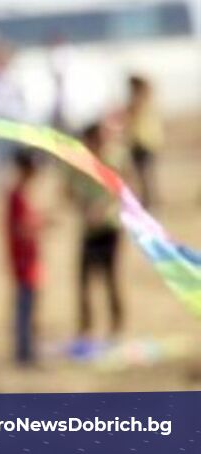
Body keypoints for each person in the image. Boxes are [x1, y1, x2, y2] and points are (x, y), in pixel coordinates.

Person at [68, 122, 126, 340]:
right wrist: (83, 206)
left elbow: (121, 190)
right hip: (89, 231)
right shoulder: (80, 165)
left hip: (109, 228)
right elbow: (68, 191)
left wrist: (101, 209)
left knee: (110, 278)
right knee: (83, 281)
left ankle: (116, 325)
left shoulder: (114, 160)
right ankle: (86, 327)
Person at [6, 150, 43, 365]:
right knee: (24, 307)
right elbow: (21, 229)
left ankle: (28, 349)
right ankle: (24, 351)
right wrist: (41, 224)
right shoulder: (17, 196)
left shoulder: (23, 195)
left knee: (28, 306)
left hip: (29, 260)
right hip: (23, 262)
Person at [124, 75, 162, 209]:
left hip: (142, 143)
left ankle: (148, 202)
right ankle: (148, 201)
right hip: (144, 142)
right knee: (144, 175)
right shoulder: (147, 102)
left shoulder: (139, 102)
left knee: (143, 175)